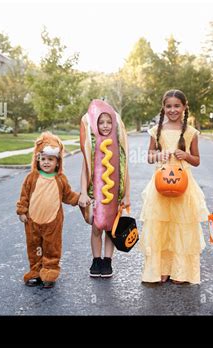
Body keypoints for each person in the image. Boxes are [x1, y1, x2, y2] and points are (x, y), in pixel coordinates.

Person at [139, 89, 209, 285]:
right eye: (168, 106)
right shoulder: (156, 131)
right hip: (160, 185)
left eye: (177, 106)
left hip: (184, 186)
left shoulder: (191, 132)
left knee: (181, 225)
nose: (173, 109)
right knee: (161, 226)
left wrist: (185, 155)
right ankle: (161, 269)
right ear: (163, 107)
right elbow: (149, 156)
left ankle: (181, 270)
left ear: (184, 107)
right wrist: (158, 156)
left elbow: (196, 160)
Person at [16, 132, 80, 289]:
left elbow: (68, 196)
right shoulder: (31, 178)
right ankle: (35, 271)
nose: (46, 162)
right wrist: (22, 211)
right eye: (43, 159)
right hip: (32, 221)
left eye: (50, 159)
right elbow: (24, 195)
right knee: (34, 246)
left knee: (51, 247)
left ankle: (50, 271)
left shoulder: (60, 179)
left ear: (57, 162)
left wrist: (79, 199)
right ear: (37, 159)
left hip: (53, 222)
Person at [79, 99, 130, 278]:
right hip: (95, 194)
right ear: (95, 124)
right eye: (101, 122)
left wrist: (127, 195)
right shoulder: (92, 147)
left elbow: (125, 172)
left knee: (111, 228)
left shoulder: (119, 147)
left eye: (109, 122)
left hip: (115, 196)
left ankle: (107, 261)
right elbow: (85, 170)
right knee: (96, 228)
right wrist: (84, 192)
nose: (106, 125)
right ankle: (96, 259)